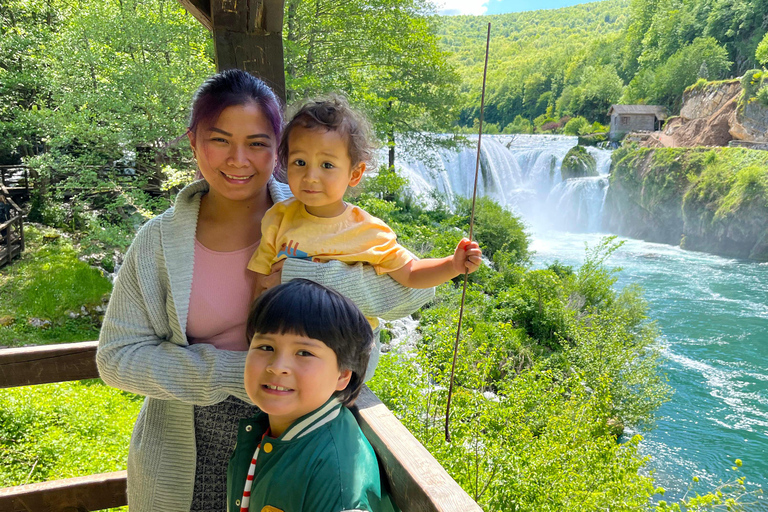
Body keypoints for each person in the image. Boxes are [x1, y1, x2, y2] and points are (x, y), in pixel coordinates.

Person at [96, 69, 433, 512]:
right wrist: (248, 375)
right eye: (219, 140)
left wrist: (295, 276)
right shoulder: (159, 242)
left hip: (307, 441)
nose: (239, 159)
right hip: (186, 448)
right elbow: (117, 359)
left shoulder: (326, 219)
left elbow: (413, 293)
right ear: (194, 142)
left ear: (278, 151)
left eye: (257, 143)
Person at [248, 97, 482, 320]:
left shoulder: (369, 231)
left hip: (344, 344)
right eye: (300, 162)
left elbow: (411, 272)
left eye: (327, 165)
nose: (310, 176)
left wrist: (452, 265)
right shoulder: (278, 217)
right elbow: (263, 280)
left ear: (355, 173)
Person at [227, 279, 398, 512]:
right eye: (266, 347)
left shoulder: (336, 477)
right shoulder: (273, 428)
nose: (277, 367)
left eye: (304, 352)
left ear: (343, 375)